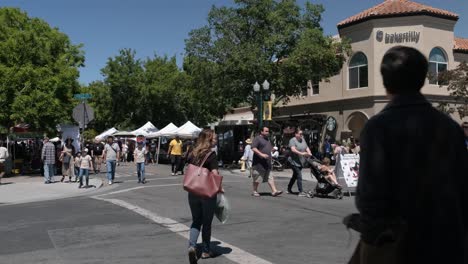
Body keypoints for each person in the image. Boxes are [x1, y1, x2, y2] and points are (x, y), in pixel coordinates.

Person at [350, 46, 468, 264]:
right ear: (423, 79)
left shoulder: (378, 128)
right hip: (447, 243)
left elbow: (370, 197)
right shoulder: (450, 128)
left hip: (399, 246)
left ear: (385, 82)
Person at [186, 129, 224, 263]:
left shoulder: (193, 153)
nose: (216, 140)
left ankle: (192, 246)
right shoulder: (211, 155)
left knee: (196, 221)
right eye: (214, 139)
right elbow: (214, 173)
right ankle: (206, 251)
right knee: (206, 223)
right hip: (206, 192)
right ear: (209, 140)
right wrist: (220, 187)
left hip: (193, 190)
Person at [251, 127, 283, 197]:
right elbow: (253, 148)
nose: (267, 133)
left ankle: (274, 191)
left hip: (267, 163)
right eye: (266, 131)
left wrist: (272, 150)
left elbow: (268, 149)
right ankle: (255, 191)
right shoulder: (257, 138)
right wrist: (261, 154)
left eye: (268, 131)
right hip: (259, 164)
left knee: (270, 177)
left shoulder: (267, 139)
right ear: (261, 132)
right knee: (257, 178)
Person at [287, 129, 312, 197]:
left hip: (300, 161)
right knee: (299, 175)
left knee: (295, 176)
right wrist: (301, 153)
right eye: (300, 134)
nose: (302, 135)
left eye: (302, 134)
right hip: (293, 161)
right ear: (296, 134)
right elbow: (293, 149)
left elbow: (306, 147)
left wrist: (309, 153)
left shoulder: (302, 139)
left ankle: (289, 188)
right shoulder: (292, 140)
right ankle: (300, 191)